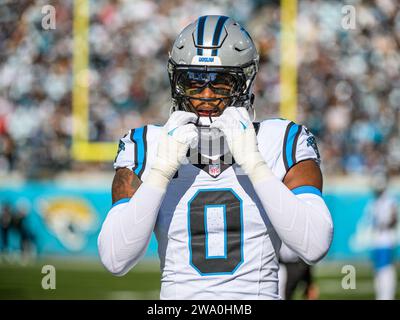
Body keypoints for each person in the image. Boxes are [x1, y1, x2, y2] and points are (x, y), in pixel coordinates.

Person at [98, 15, 333, 299]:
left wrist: (255, 164)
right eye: (194, 82)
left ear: (244, 83)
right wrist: (160, 172)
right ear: (177, 83)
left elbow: (314, 245)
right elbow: (115, 258)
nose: (206, 96)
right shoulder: (146, 145)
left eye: (221, 83)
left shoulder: (281, 140)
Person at [364, 174, 398, 300]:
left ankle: (387, 296)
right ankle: (381, 296)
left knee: (386, 271)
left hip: (386, 240)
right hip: (377, 240)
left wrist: (386, 223)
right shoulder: (375, 202)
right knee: (378, 271)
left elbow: (394, 219)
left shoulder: (390, 200)